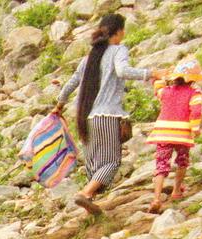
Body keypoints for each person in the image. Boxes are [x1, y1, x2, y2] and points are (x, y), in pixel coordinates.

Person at [54, 13, 166, 215]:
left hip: (87, 118)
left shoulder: (89, 58)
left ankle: (89, 204)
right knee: (112, 162)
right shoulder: (118, 50)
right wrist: (151, 73)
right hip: (107, 116)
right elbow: (122, 71)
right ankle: (85, 193)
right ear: (119, 31)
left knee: (95, 163)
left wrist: (59, 105)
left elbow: (71, 83)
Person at [147, 57, 202, 214]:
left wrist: (160, 78)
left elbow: (157, 88)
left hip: (163, 133)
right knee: (182, 161)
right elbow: (196, 112)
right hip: (182, 134)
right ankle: (176, 190)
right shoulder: (194, 93)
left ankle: (156, 198)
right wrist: (195, 128)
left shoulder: (166, 91)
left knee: (161, 166)